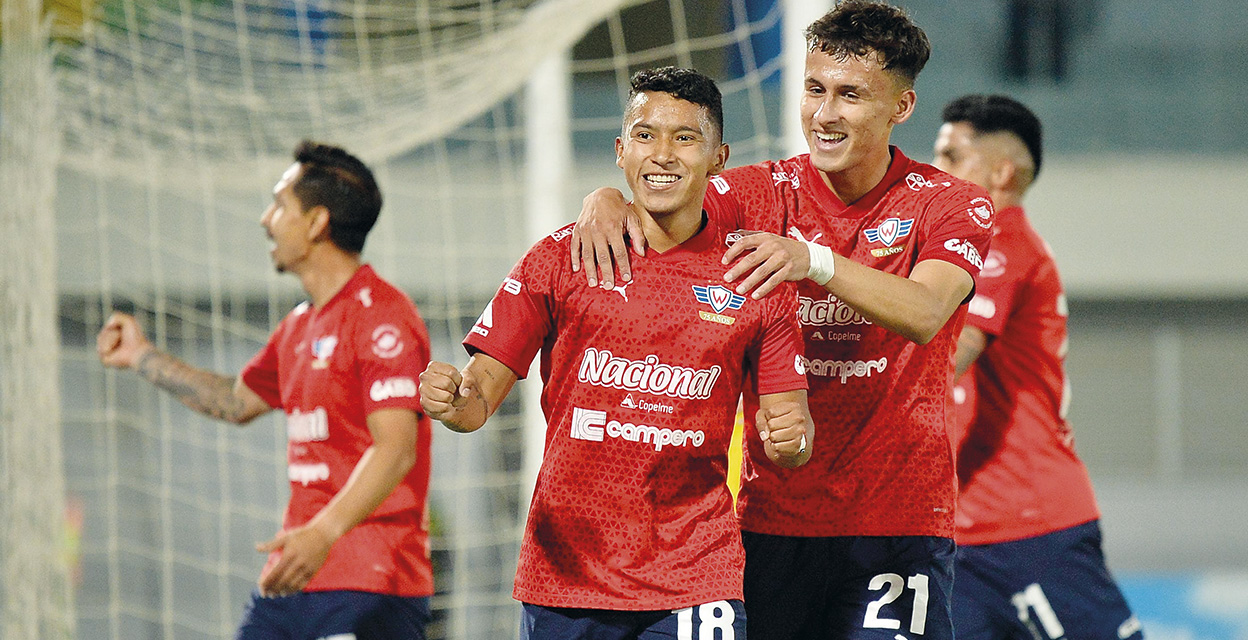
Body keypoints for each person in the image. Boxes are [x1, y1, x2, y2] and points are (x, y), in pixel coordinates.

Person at [570, 3, 994, 638]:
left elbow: (926, 311)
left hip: (896, 520)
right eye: (815, 90)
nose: (825, 114)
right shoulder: (755, 192)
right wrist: (605, 197)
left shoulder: (951, 204)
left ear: (900, 108)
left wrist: (812, 261)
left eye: (850, 96)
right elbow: (663, 195)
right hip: (769, 518)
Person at [418, 67, 814, 640]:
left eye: (685, 138)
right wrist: (450, 399)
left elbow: (793, 435)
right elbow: (475, 401)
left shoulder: (755, 279)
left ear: (718, 157)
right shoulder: (559, 259)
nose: (664, 154)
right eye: (646, 135)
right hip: (567, 572)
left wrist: (791, 441)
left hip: (697, 573)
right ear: (620, 150)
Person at [96, 141, 435, 639]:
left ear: (318, 223)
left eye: (279, 205)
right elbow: (236, 401)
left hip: (371, 580)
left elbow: (397, 449)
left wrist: (324, 531)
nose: (265, 219)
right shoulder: (298, 327)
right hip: (292, 578)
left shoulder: (382, 315)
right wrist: (142, 356)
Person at [934, 94, 1143, 640]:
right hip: (962, 531)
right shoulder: (956, 253)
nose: (936, 173)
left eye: (952, 157)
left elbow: (953, 353)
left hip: (1027, 523)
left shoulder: (1003, 241)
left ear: (1003, 173)